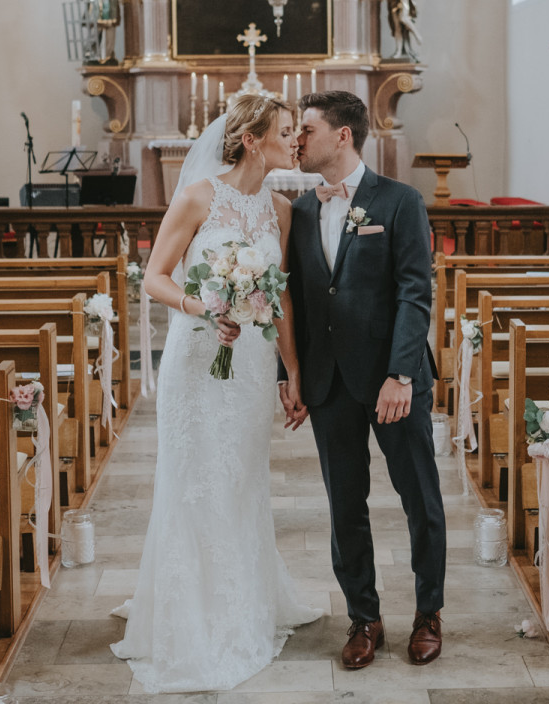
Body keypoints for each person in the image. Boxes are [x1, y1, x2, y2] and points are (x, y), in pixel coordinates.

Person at [110, 93, 322, 694]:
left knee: (240, 477)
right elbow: (154, 277)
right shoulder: (199, 196)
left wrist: (291, 371)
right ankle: (189, 611)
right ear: (252, 140)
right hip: (196, 356)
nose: (296, 141)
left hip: (249, 365)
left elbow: (279, 296)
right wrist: (203, 307)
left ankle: (241, 595)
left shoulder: (281, 209)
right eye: (286, 131)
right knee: (194, 477)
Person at [283, 89, 447, 669]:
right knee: (345, 505)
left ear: (342, 135)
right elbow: (294, 300)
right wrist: (289, 375)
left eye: (306, 129)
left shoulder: (400, 201)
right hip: (328, 382)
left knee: (419, 497)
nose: (297, 140)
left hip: (392, 381)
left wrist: (401, 373)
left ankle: (428, 612)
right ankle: (364, 617)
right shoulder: (299, 211)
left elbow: (414, 293)